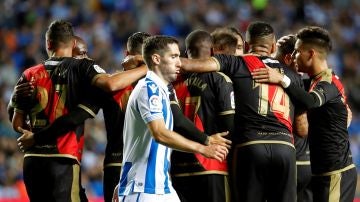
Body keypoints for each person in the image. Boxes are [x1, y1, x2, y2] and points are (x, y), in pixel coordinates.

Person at [11, 20, 147, 202]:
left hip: (33, 160)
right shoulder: (81, 68)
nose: (86, 57)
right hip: (64, 158)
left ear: (48, 43)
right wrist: (149, 67)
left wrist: (31, 134)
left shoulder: (29, 73)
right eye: (83, 53)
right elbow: (107, 85)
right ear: (73, 44)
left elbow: (15, 120)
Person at [179, 21, 305, 202]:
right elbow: (302, 128)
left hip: (250, 145)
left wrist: (150, 60)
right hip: (285, 148)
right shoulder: (290, 76)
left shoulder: (235, 62)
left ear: (246, 45)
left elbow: (192, 65)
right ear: (271, 46)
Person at [116, 35, 229, 202]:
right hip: (143, 188)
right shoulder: (149, 88)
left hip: (162, 187)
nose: (179, 62)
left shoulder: (163, 90)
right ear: (156, 59)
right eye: (173, 56)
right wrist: (202, 148)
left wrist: (206, 140)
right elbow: (160, 134)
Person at [252, 26, 357, 202]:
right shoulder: (313, 81)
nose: (293, 57)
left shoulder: (328, 82)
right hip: (322, 171)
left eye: (297, 52)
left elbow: (310, 101)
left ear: (311, 54)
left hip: (336, 172)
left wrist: (281, 79)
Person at [171, 30, 235, 202]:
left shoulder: (172, 84)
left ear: (185, 53)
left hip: (179, 166)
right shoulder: (220, 79)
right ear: (213, 52)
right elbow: (230, 126)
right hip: (213, 163)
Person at [274, 34, 312, 202]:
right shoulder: (299, 81)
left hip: (266, 155)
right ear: (289, 58)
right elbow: (302, 129)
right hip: (297, 160)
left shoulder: (257, 73)